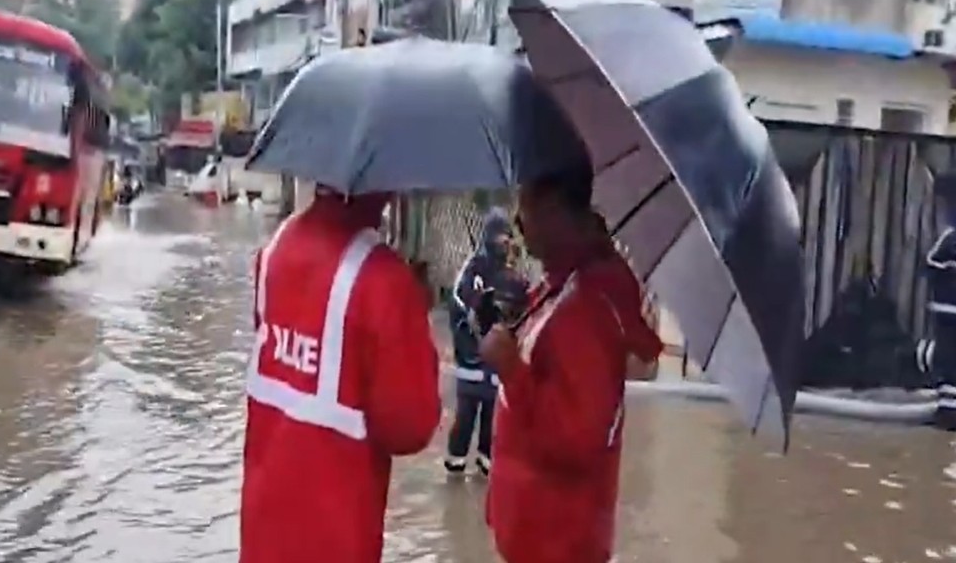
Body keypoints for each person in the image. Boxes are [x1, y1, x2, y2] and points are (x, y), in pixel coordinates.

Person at [240, 186, 441, 563]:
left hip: (261, 534)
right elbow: (410, 428)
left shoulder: (275, 250)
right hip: (337, 542)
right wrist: (413, 319)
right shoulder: (385, 280)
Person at [479, 164, 664, 563]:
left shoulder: (586, 310)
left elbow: (577, 440)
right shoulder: (559, 288)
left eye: (526, 206)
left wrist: (511, 369)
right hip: (537, 533)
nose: (517, 221)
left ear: (557, 213)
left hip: (557, 543)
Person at [445, 207, 526, 477]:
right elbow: (456, 297)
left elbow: (520, 311)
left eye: (509, 236)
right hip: (471, 359)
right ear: (490, 236)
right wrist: (472, 312)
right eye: (502, 235)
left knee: (493, 419)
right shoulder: (473, 267)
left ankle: (486, 462)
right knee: (466, 415)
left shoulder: (511, 274)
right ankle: (455, 462)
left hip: (496, 365)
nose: (506, 241)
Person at [925, 174, 956, 431]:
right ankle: (948, 412)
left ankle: (947, 413)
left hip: (946, 311)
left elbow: (930, 263)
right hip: (947, 312)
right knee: (947, 359)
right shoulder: (950, 238)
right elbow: (933, 262)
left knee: (948, 360)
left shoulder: (949, 237)